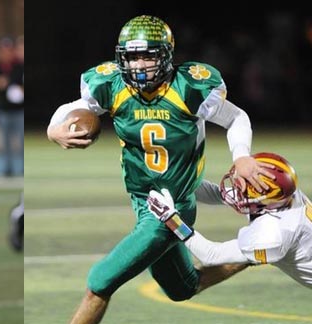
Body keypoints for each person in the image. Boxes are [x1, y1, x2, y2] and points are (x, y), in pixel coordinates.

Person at [46, 15, 273, 324]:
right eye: (132, 56)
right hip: (143, 200)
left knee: (98, 283)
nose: (139, 64)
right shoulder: (111, 84)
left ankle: (263, 245)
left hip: (171, 208)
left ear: (165, 55)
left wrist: (242, 156)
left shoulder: (189, 86)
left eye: (147, 55)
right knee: (183, 287)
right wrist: (53, 130)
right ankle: (260, 250)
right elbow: (74, 107)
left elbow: (236, 118)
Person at [148, 152, 312, 290]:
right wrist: (175, 182)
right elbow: (217, 194)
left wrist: (171, 219)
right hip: (290, 243)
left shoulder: (274, 232)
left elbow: (211, 254)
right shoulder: (278, 197)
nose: (237, 183)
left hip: (278, 244)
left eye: (245, 184)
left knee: (250, 252)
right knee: (250, 252)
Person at [0, 36, 24, 177]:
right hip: (4, 111)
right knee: (5, 143)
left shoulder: (19, 67)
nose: (7, 53)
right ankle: (7, 169)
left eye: (9, 50)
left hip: (20, 111)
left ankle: (23, 168)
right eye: (4, 50)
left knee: (21, 142)